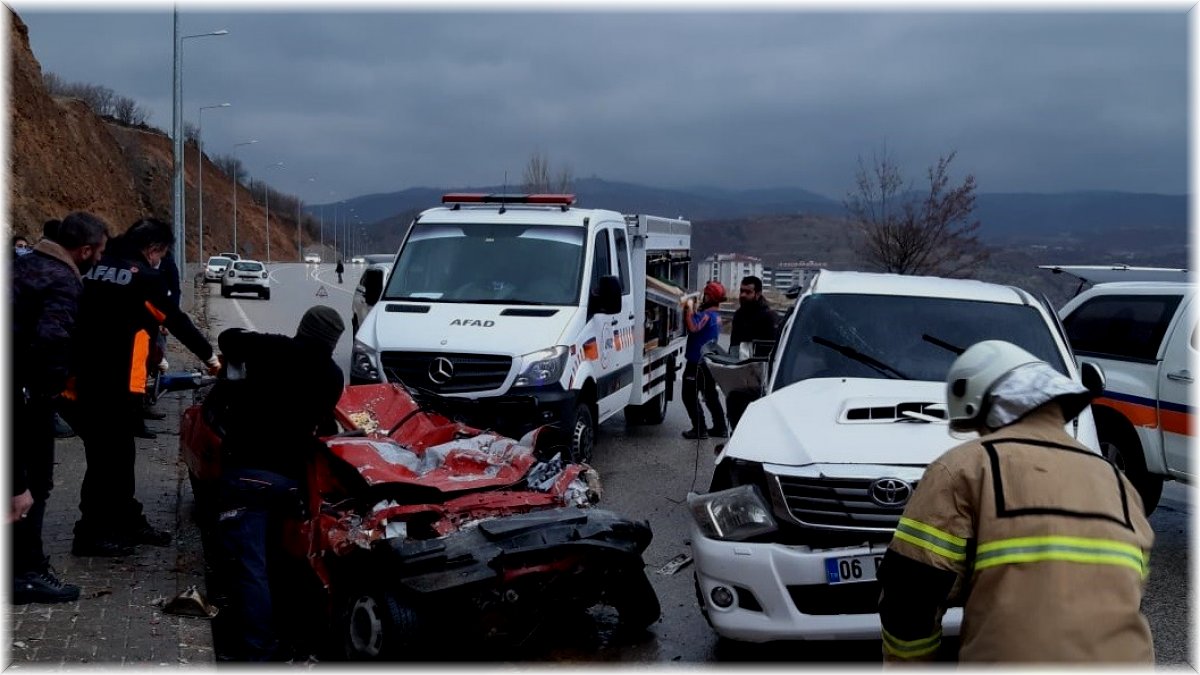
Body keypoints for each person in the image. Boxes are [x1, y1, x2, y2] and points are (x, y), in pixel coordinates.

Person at [877, 340, 1155, 663]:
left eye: (977, 426)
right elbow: (1127, 591)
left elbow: (909, 596)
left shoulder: (963, 468)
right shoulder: (1119, 484)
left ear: (985, 409)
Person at [70, 217, 221, 557]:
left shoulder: (94, 266)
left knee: (117, 455)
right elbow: (175, 320)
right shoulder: (145, 279)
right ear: (153, 250)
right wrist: (211, 358)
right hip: (116, 384)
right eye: (161, 255)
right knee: (106, 460)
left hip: (83, 378)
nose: (159, 261)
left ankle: (126, 519)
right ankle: (90, 533)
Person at [212, 306, 346, 660]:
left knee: (249, 566)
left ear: (302, 327)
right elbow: (323, 424)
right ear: (333, 343)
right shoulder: (332, 376)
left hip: (246, 475)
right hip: (289, 483)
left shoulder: (272, 347)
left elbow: (228, 338)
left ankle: (258, 650)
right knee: (284, 561)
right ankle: (297, 636)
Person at [11, 211, 109, 603]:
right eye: (99, 252)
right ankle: (25, 572)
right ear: (84, 250)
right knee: (32, 485)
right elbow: (52, 339)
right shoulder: (63, 281)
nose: (100, 260)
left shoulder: (25, 265)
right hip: (25, 396)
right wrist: (49, 393)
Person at [725, 275, 778, 430]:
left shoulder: (769, 317)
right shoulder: (739, 315)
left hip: (760, 379)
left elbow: (773, 350)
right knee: (734, 407)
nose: (742, 295)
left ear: (758, 294)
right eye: (741, 291)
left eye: (748, 292)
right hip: (740, 374)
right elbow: (734, 345)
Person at [681, 281, 728, 440]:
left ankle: (699, 428)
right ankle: (721, 427)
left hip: (697, 363)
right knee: (710, 395)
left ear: (710, 296)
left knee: (688, 395)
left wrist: (687, 308)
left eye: (705, 295)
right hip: (707, 361)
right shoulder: (716, 316)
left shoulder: (707, 316)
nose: (703, 297)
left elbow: (693, 327)